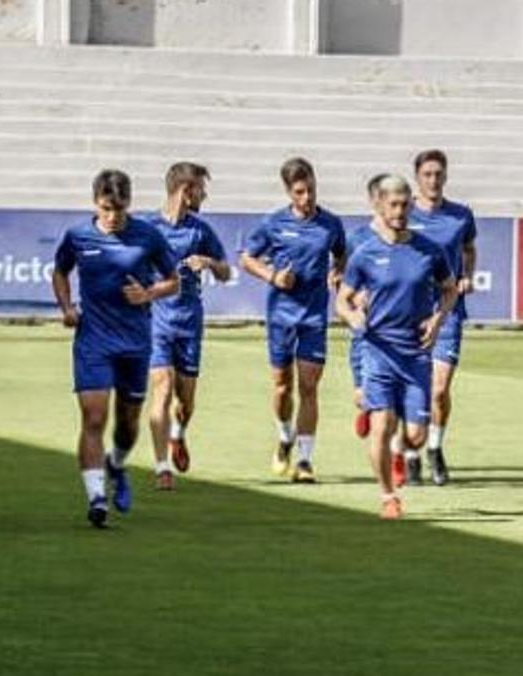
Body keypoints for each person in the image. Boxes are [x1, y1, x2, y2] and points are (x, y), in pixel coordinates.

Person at [51, 169, 179, 528]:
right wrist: (66, 308)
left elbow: (174, 281)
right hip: (93, 340)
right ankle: (96, 499)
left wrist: (149, 293)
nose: (113, 216)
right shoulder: (78, 237)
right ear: (96, 203)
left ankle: (117, 464)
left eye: (119, 209)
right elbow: (60, 272)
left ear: (129, 204)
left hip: (135, 343)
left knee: (127, 423)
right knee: (93, 416)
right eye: (107, 209)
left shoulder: (147, 237)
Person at [336, 175, 457, 519]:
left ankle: (402, 451)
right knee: (382, 423)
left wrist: (437, 320)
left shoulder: (429, 251)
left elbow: (449, 289)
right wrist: (353, 317)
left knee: (417, 435)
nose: (401, 211)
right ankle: (388, 496)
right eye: (394, 204)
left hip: (416, 353)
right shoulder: (365, 253)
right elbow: (342, 300)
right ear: (379, 205)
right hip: (379, 351)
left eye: (406, 204)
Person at [239, 158, 346, 484]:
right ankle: (285, 436)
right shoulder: (273, 223)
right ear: (289, 192)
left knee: (309, 387)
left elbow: (341, 254)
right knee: (283, 387)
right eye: (300, 192)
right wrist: (273, 276)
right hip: (281, 316)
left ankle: (304, 460)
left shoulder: (330, 224)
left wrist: (338, 271)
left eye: (311, 189)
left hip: (313, 317)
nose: (307, 197)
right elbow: (246, 258)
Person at [145, 162, 229, 491]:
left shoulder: (200, 231)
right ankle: (161, 466)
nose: (204, 196)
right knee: (162, 390)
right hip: (157, 321)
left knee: (186, 401)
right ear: (186, 190)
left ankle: (178, 435)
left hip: (190, 322)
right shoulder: (148, 228)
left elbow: (225, 272)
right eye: (201, 189)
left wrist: (208, 263)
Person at [403, 149, 478, 487]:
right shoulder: (403, 213)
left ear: (445, 177)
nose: (433, 180)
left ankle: (434, 446)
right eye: (427, 174)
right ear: (417, 177)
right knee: (413, 384)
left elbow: (469, 249)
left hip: (448, 311)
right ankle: (410, 454)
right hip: (409, 312)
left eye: (438, 174)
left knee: (439, 389)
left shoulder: (460, 216)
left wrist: (467, 275)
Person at [346, 174, 387, 445]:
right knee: (364, 394)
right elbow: (342, 280)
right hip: (365, 327)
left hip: (398, 324)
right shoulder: (357, 239)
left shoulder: (409, 239)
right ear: (374, 201)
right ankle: (366, 406)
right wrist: (357, 299)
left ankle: (397, 454)